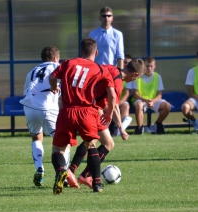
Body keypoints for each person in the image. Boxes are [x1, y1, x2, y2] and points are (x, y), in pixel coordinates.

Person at [49, 38, 116, 194]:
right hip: (87, 112)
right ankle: (97, 184)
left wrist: (55, 88)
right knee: (91, 145)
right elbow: (111, 95)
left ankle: (61, 171)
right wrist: (109, 113)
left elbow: (52, 78)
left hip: (67, 110)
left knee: (58, 150)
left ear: (81, 52)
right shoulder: (100, 69)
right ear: (96, 52)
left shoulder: (68, 63)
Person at [68, 59, 146, 189]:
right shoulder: (118, 82)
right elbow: (114, 105)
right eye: (137, 78)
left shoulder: (109, 68)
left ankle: (71, 171)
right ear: (135, 74)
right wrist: (121, 128)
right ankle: (85, 175)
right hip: (91, 109)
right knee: (108, 143)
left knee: (91, 140)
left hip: (80, 104)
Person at [19, 46, 71, 187]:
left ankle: (39, 169)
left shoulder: (32, 71)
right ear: (55, 58)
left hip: (29, 107)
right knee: (63, 142)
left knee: (36, 137)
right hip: (48, 108)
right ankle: (64, 175)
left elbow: (27, 91)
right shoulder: (58, 67)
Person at [127, 56, 171, 135]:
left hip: (153, 101)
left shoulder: (158, 76)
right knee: (139, 105)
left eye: (151, 66)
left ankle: (157, 124)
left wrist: (152, 101)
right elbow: (135, 94)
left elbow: (159, 95)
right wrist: (146, 101)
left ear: (154, 67)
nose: (149, 68)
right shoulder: (138, 75)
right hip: (141, 100)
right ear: (144, 66)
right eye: (147, 66)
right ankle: (140, 128)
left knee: (167, 106)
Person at [110, 54, 133, 136]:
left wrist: (117, 104)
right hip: (109, 102)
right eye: (125, 62)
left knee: (125, 106)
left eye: (129, 63)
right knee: (108, 143)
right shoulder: (116, 75)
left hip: (119, 101)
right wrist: (114, 105)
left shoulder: (127, 78)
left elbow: (126, 94)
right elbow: (111, 96)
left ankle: (119, 128)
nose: (127, 65)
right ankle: (119, 128)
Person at [181, 52, 198, 132]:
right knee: (185, 108)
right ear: (197, 59)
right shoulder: (192, 71)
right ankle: (196, 122)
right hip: (195, 98)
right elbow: (190, 93)